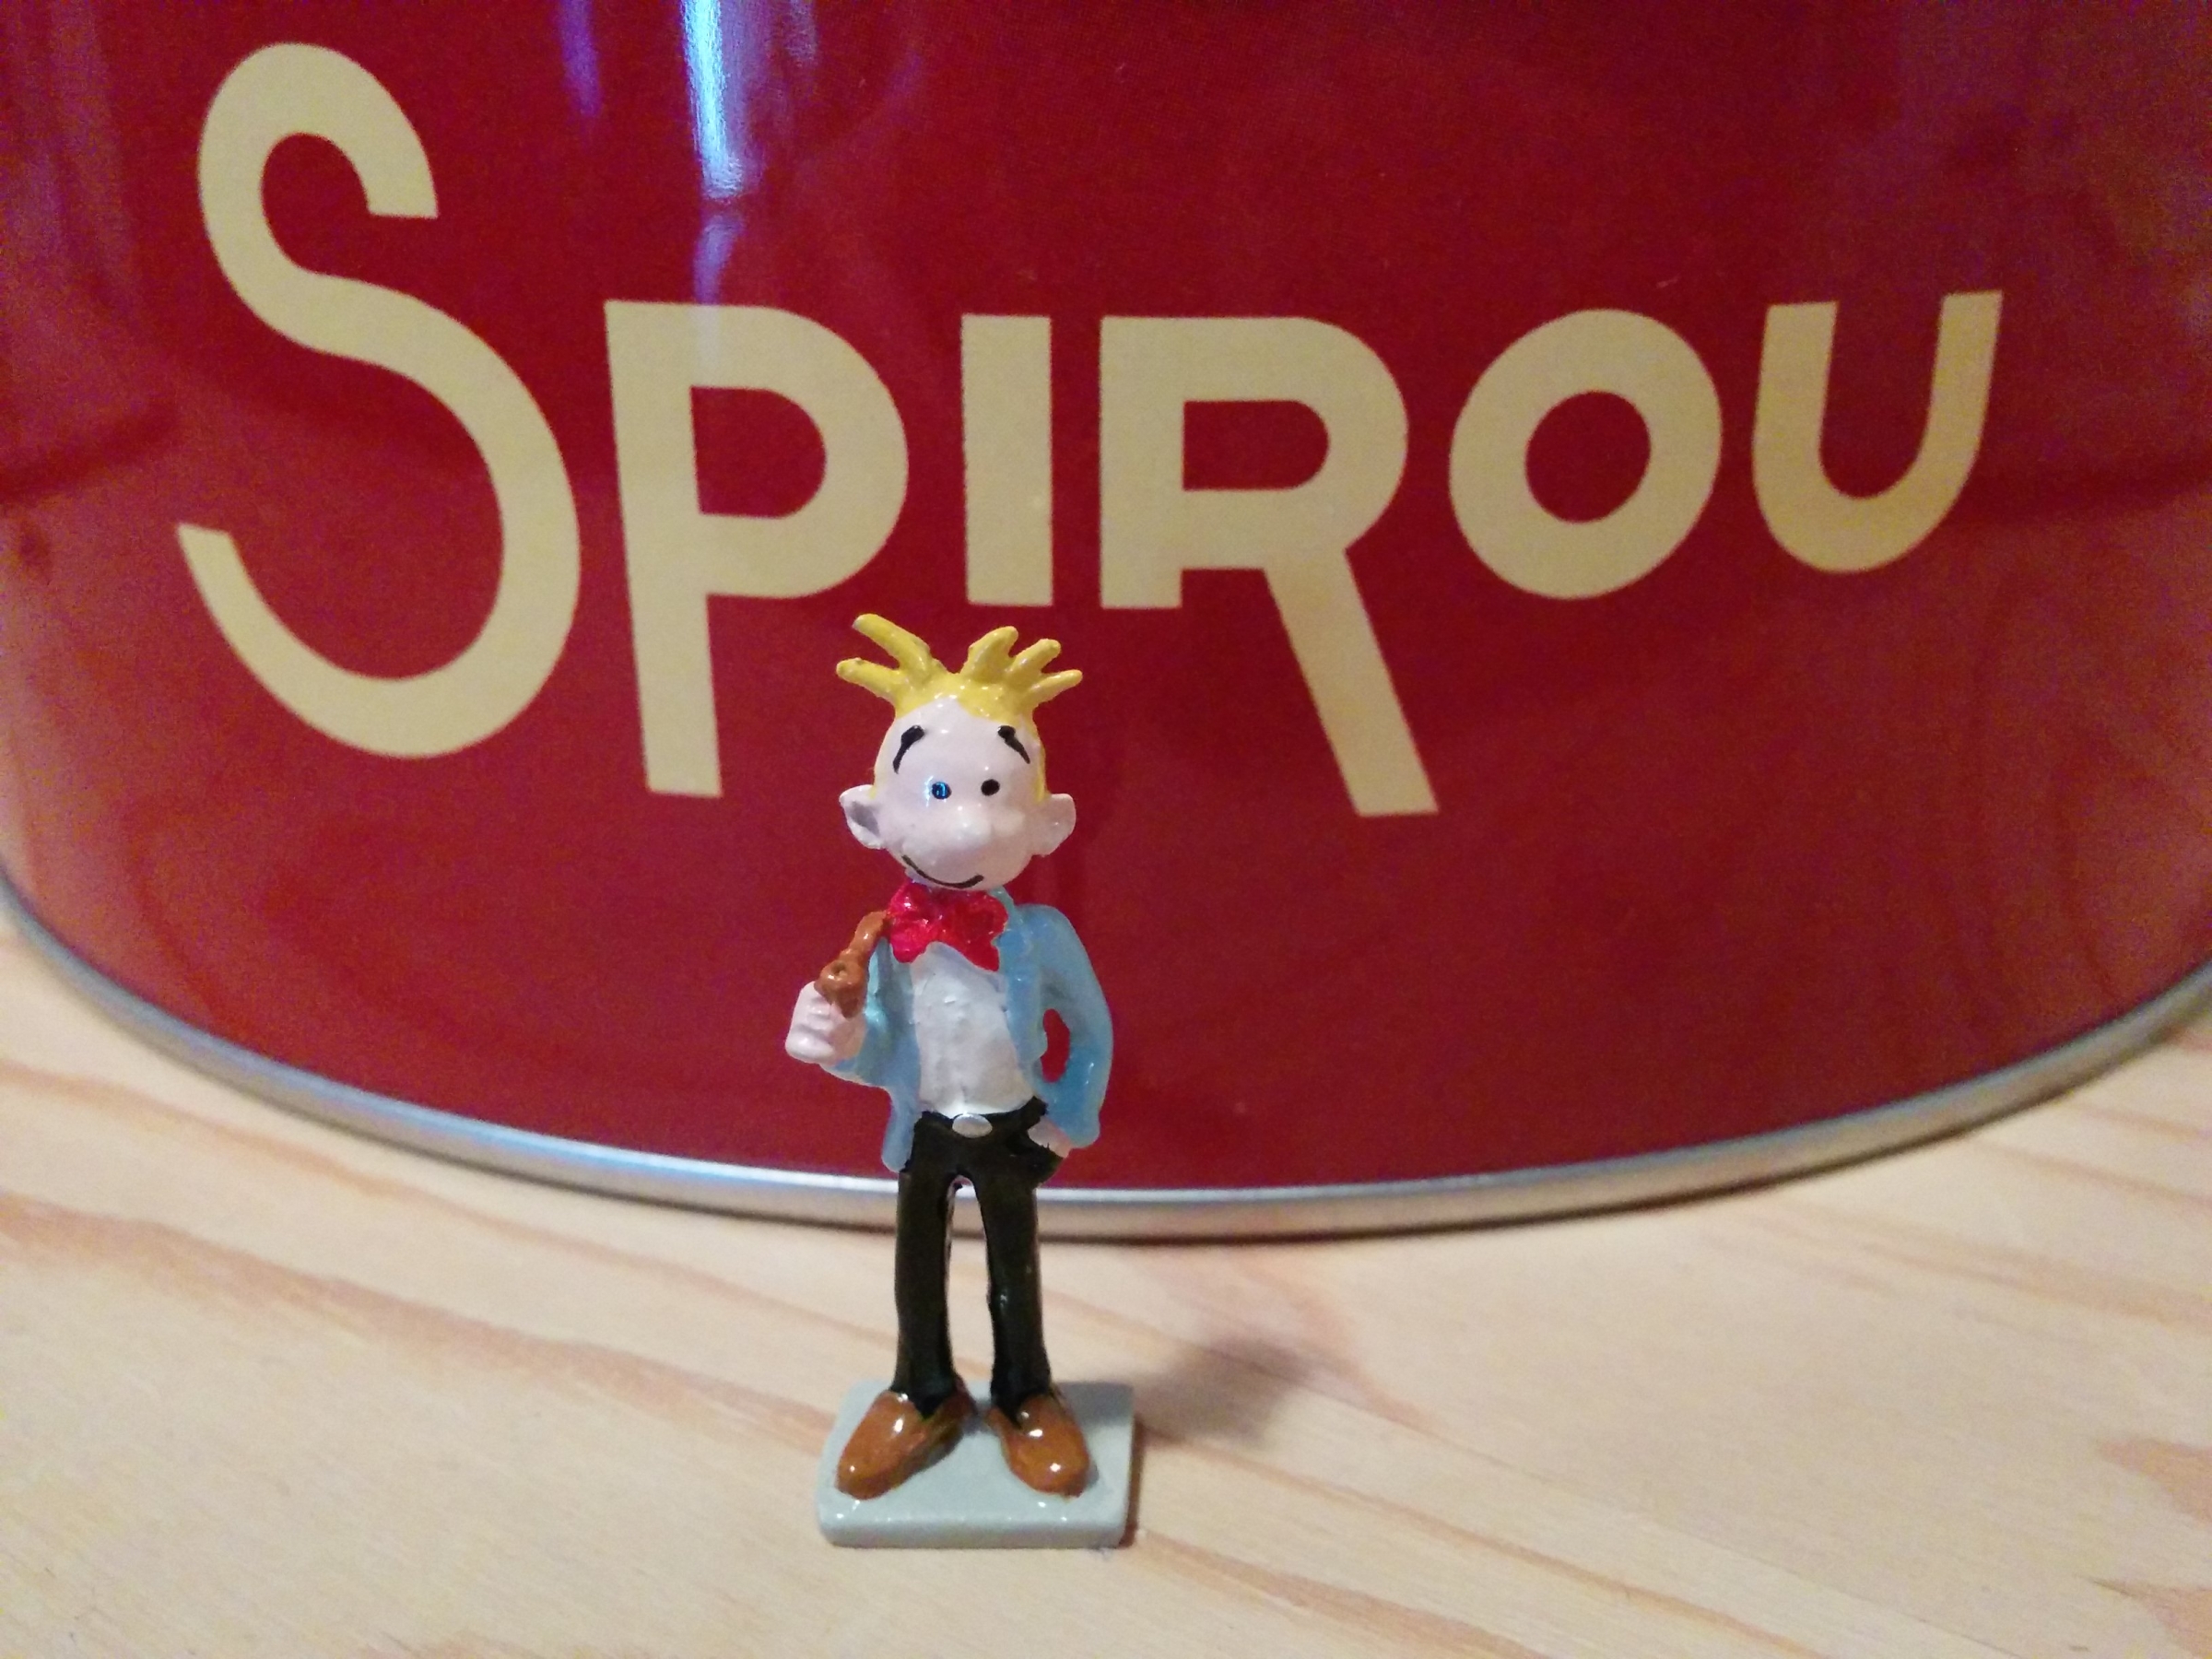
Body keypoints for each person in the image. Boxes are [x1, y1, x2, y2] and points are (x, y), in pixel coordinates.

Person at [785, 614, 1112, 1500]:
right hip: (925, 1130)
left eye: (995, 792)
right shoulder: (883, 948)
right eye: (934, 792)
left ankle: (1025, 1393)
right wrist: (839, 1040)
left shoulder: (1043, 938)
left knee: (1016, 1269)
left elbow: (1092, 1032)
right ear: (869, 816)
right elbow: (876, 1047)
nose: (967, 825)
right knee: (916, 1270)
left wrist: (1067, 1121)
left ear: (1048, 823)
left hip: (1015, 1129)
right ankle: (922, 1390)